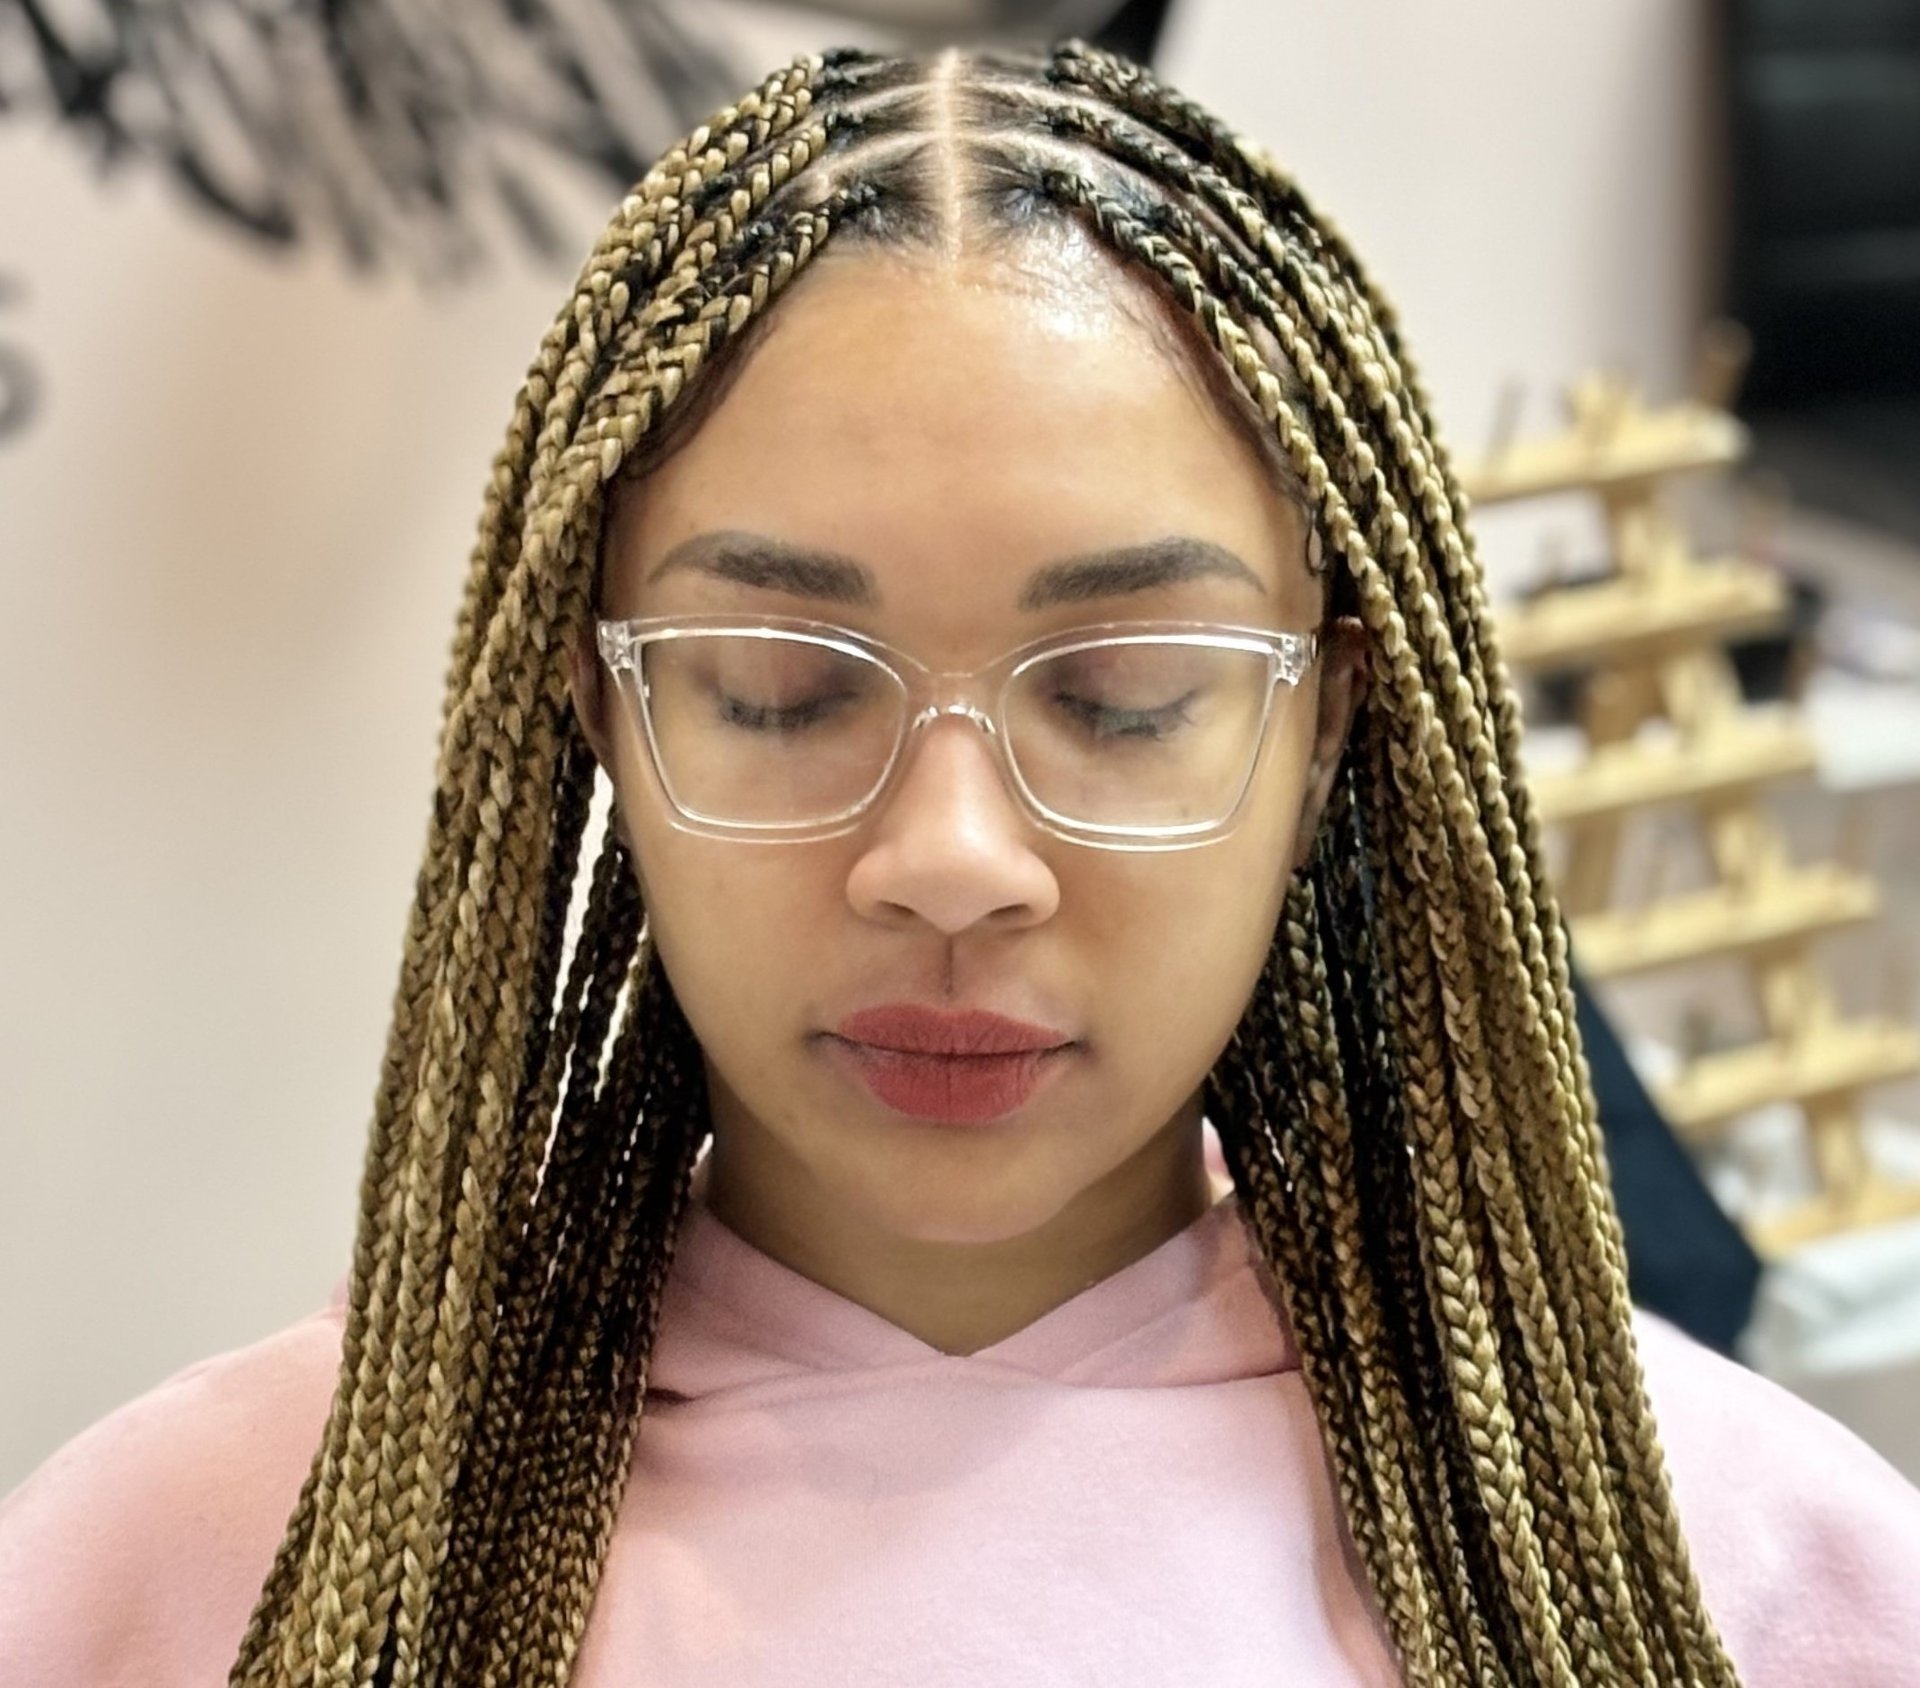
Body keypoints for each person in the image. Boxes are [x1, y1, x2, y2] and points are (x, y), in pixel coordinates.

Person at [4, 40, 1918, 1688]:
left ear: (1327, 716)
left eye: (1125, 692)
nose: (949, 862)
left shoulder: (1737, 1577)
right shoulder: (196, 1573)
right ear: (594, 708)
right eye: (775, 690)